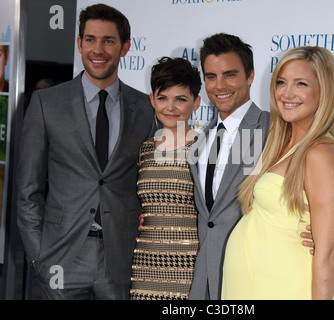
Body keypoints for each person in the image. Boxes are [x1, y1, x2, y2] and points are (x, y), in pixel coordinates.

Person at [16, 4, 155, 299]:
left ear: (125, 47)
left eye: (109, 41)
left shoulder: (145, 108)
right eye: (90, 39)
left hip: (120, 258)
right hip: (60, 256)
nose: (98, 49)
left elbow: (149, 180)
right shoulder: (46, 104)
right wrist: (38, 254)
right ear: (79, 44)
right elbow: (27, 190)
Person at [188, 33, 314, 300]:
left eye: (230, 75)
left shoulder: (277, 129)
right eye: (211, 76)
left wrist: (318, 231)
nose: (219, 85)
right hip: (204, 281)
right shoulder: (201, 139)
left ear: (250, 76)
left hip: (256, 276)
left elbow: (315, 184)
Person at [221, 46, 334, 300]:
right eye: (281, 82)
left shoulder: (319, 151)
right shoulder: (279, 144)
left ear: (324, 91)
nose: (287, 93)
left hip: (288, 288)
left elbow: (328, 253)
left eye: (301, 84)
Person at [130, 57, 201, 300]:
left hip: (190, 269)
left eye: (180, 99)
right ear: (152, 99)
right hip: (144, 264)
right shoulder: (143, 149)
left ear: (196, 102)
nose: (170, 107)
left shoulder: (208, 148)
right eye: (162, 98)